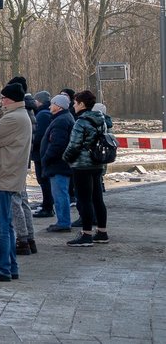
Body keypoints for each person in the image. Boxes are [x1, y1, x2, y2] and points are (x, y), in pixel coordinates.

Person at [0, 82, 32, 281]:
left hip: (1, 176)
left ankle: (2, 268)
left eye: (3, 98)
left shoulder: (13, 119)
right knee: (6, 224)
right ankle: (10, 266)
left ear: (9, 99)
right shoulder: (17, 116)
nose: (1, 101)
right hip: (6, 175)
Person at [62, 90, 109, 246]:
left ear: (82, 104)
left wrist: (66, 158)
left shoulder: (81, 122)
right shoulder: (100, 120)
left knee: (84, 199)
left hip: (82, 165)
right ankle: (102, 232)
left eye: (75, 103)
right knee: (97, 199)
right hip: (97, 163)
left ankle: (86, 234)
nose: (73, 106)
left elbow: (74, 145)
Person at [6, 76, 36, 257]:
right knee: (22, 199)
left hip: (14, 162)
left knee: (15, 201)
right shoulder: (29, 112)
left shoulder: (18, 115)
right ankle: (29, 237)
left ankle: (22, 239)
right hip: (22, 161)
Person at [41, 94, 74, 232]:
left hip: (58, 164)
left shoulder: (61, 121)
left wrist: (46, 158)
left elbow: (57, 144)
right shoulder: (64, 118)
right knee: (61, 193)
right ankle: (63, 221)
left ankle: (64, 222)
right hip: (60, 164)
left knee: (60, 194)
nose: (49, 106)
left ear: (59, 106)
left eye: (52, 103)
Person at [31, 91, 55, 218]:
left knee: (43, 180)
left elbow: (39, 135)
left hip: (41, 153)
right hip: (41, 152)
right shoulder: (45, 113)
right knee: (44, 180)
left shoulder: (42, 115)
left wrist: (32, 143)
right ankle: (47, 204)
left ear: (39, 101)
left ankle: (48, 206)